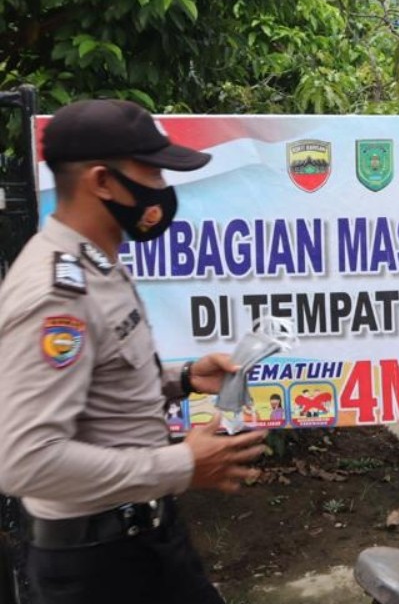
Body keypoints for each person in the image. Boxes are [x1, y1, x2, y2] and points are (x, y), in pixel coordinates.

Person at [0, 99, 269, 604]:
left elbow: (97, 380)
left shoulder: (96, 262)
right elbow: (24, 461)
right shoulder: (54, 293)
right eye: (152, 171)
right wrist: (182, 465)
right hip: (95, 567)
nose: (163, 189)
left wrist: (184, 377)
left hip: (146, 534)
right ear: (101, 181)